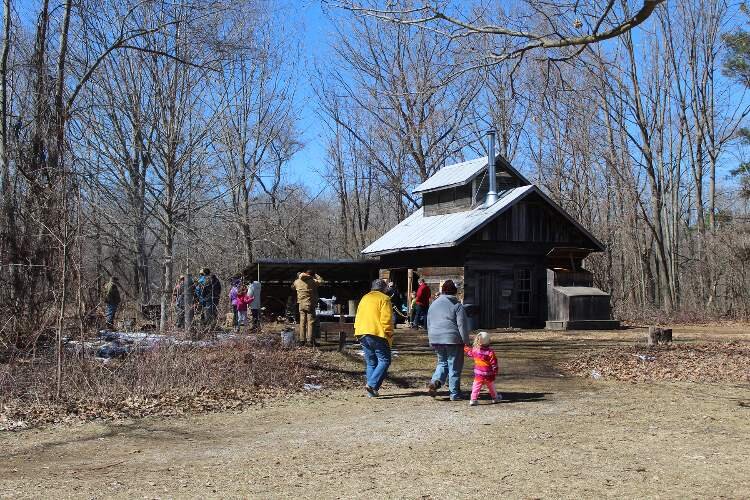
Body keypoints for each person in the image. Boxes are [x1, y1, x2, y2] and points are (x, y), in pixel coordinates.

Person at [426, 280, 470, 401]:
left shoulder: (433, 304)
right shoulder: (457, 305)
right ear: (455, 292)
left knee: (442, 363)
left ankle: (435, 382)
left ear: (442, 291)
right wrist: (466, 341)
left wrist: (430, 338)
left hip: (436, 337)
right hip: (452, 339)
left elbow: (428, 323)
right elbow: (462, 325)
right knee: (454, 366)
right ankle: (454, 394)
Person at [354, 279, 394, 397]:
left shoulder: (364, 298)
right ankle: (372, 385)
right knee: (385, 360)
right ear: (384, 288)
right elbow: (386, 319)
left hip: (361, 332)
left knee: (371, 363)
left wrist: (356, 330)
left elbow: (358, 315)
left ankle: (371, 391)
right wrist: (389, 333)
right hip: (376, 332)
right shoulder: (384, 298)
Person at [464, 331, 501, 406]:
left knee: (476, 386)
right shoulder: (490, 352)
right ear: (488, 341)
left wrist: (464, 347)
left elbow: (469, 352)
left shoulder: (475, 350)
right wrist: (495, 370)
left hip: (478, 373)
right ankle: (495, 397)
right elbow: (494, 363)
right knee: (491, 386)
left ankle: (473, 399)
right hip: (488, 373)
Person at [291, 269, 323, 346]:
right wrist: (316, 275)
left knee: (302, 322)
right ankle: (310, 341)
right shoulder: (312, 281)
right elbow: (321, 281)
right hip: (309, 304)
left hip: (301, 304)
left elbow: (292, 287)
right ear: (311, 275)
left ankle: (302, 340)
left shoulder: (297, 281)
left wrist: (298, 278)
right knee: (310, 322)